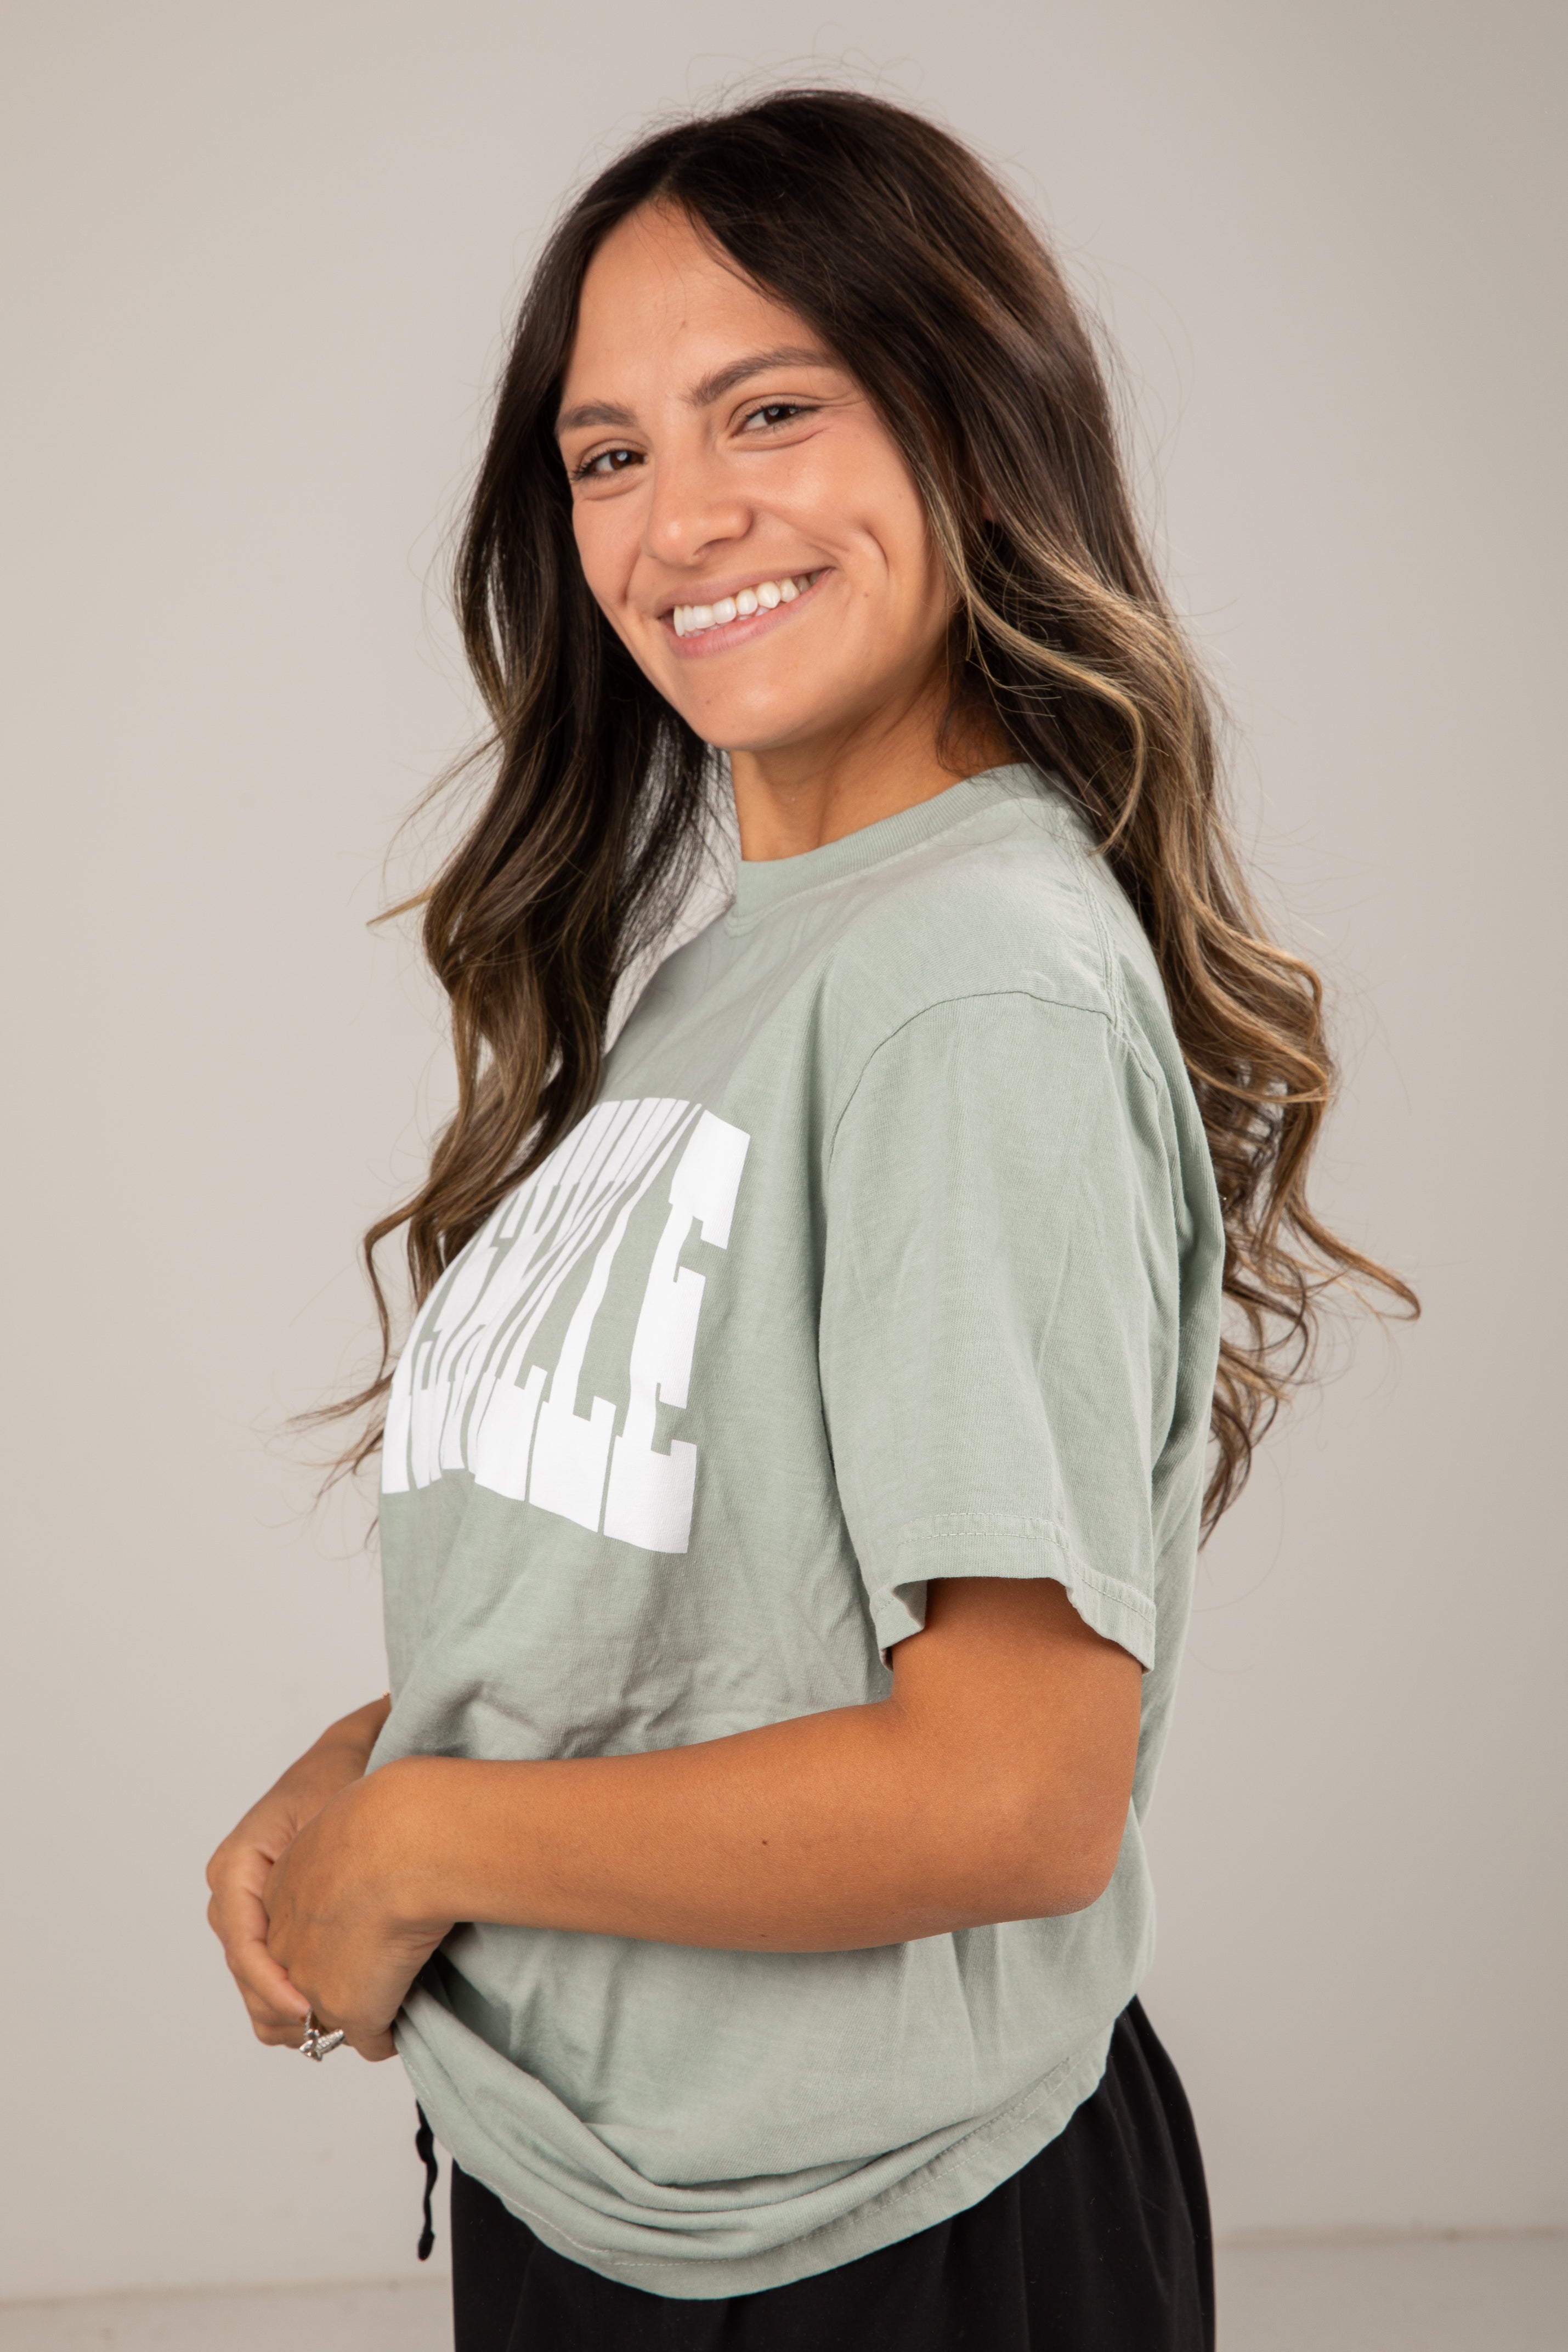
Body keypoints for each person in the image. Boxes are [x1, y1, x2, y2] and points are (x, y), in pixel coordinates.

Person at [206, 89, 1411, 2351]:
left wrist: (431, 1835)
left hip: (875, 2252)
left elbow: (1007, 1791)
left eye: (770, 407)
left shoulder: (969, 977)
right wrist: (383, 1756)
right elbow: (731, 1595)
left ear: (965, 424)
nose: (685, 517)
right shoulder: (743, 958)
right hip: (617, 2202)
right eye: (609, 454)